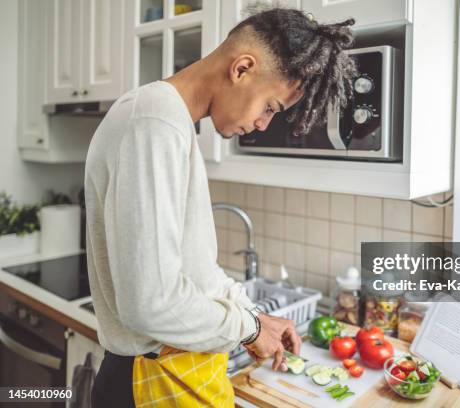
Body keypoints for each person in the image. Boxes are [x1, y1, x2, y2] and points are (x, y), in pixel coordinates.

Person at [84, 3, 357, 407]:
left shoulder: (174, 123)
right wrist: (247, 328)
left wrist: (256, 317)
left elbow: (193, 268)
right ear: (242, 68)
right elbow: (151, 305)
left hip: (165, 371)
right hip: (143, 381)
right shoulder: (154, 122)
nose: (264, 124)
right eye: (269, 107)